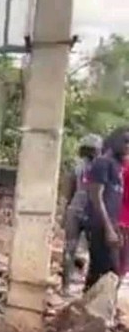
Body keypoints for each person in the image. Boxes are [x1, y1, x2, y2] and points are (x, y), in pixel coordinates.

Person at [85, 127, 129, 293]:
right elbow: (96, 197)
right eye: (125, 141)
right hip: (99, 225)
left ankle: (93, 310)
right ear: (113, 141)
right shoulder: (103, 163)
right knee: (106, 272)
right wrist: (109, 228)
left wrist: (115, 226)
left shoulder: (118, 165)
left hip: (111, 224)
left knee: (107, 273)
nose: (128, 146)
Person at [61, 134, 102, 296]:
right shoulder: (102, 169)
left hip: (75, 210)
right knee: (92, 252)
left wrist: (64, 214)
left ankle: (66, 287)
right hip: (91, 214)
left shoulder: (75, 167)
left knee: (70, 249)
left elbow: (68, 193)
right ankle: (87, 289)